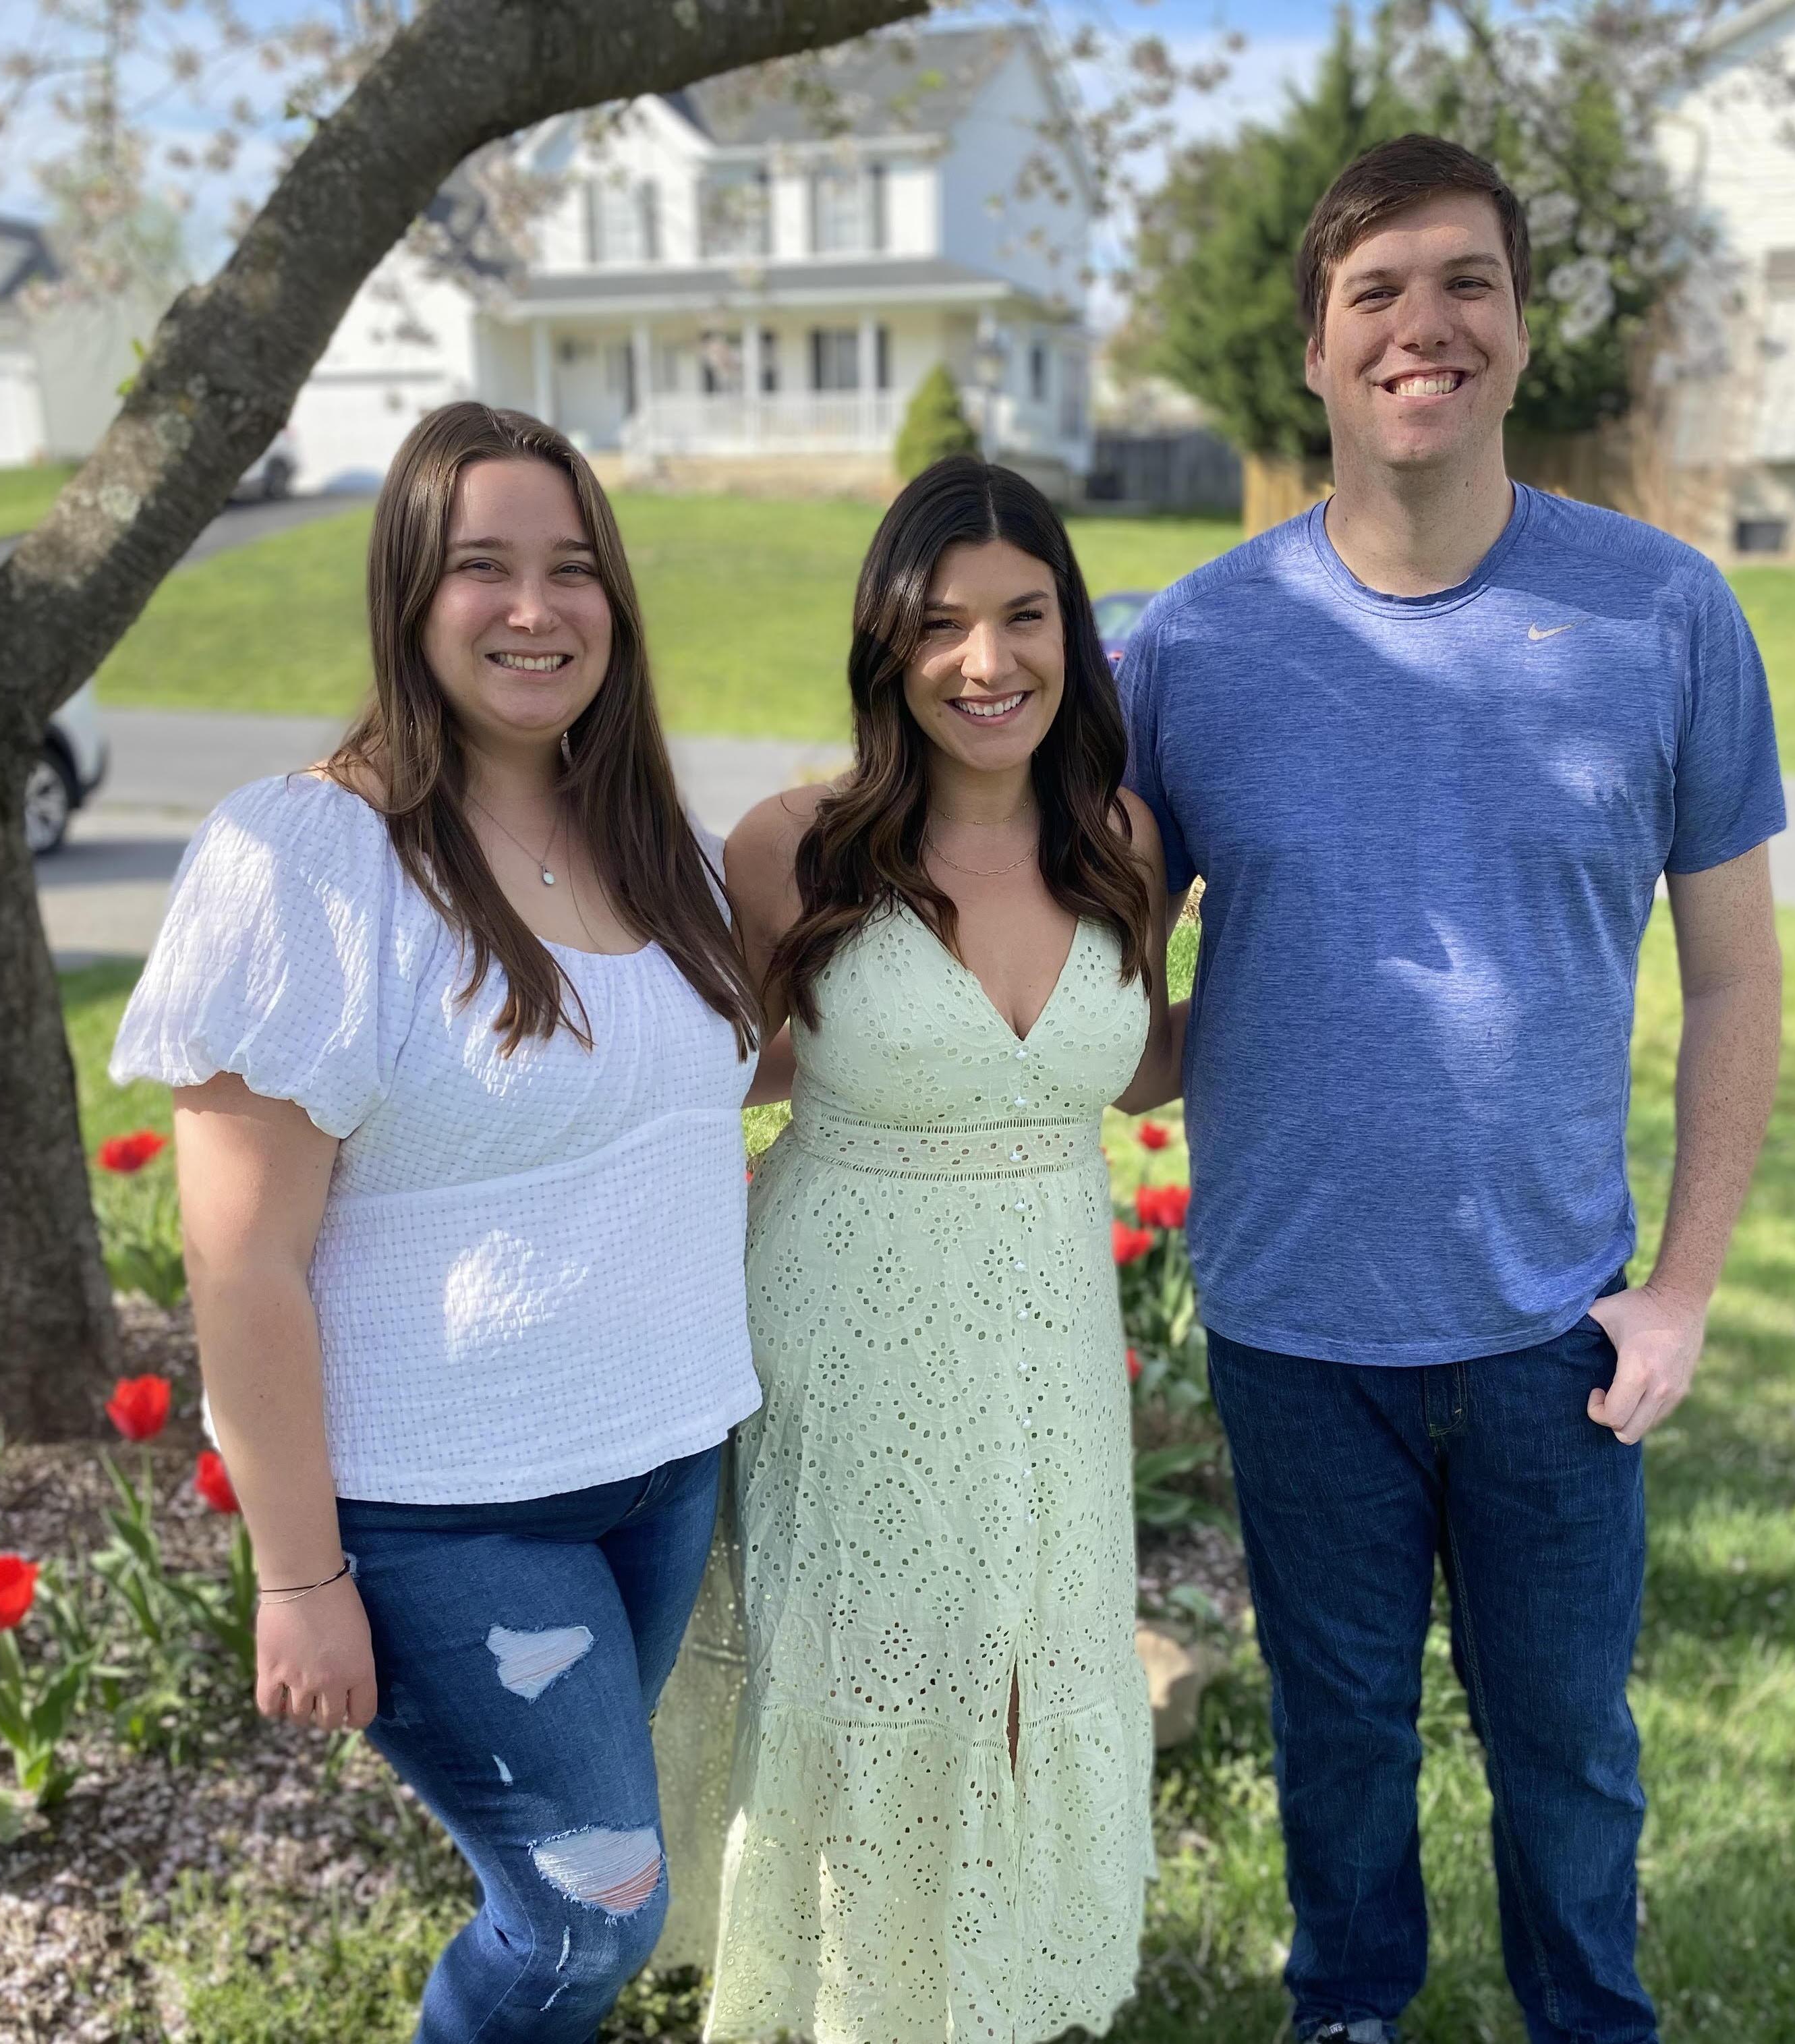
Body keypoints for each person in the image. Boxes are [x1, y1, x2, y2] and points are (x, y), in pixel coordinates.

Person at [1114, 135, 1786, 2044]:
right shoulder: (1191, 647)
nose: (1427, 324)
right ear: (1315, 352)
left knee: (1566, 1743)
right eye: (1377, 292)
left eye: (1466, 280)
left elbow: (1738, 976)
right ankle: (1350, 2011)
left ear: (1521, 324)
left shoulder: (1664, 615)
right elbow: (1119, 1009)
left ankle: (1591, 2017)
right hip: (1291, 1327)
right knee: (1339, 1736)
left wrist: (1684, 1288)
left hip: (1555, 1329)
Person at [109, 401, 766, 2043]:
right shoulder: (309, 863)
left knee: (588, 1895)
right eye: (484, 567)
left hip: (661, 1471)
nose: (535, 609)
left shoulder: (662, 853)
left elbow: (689, 1118)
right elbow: (241, 1260)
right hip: (448, 1514)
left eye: (572, 568)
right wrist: (297, 1577)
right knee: (587, 1917)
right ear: (409, 596)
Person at [666, 455, 1177, 2044]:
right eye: (942, 623)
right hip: (848, 1333)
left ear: (1071, 630)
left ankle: (992, 1991)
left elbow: (1135, 1067)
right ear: (886, 642)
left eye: (1024, 616)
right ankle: (849, 2004)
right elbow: (717, 1071)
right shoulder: (792, 847)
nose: (986, 661)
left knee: (1031, 1673)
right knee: (865, 1681)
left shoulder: (1122, 837)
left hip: (1048, 1331)